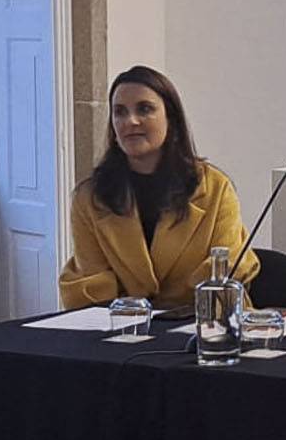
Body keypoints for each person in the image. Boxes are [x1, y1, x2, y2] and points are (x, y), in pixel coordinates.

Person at [58, 65, 257, 309]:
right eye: (120, 112)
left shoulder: (215, 188)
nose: (130, 121)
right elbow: (93, 284)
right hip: (124, 326)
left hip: (202, 322)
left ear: (171, 119)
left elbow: (225, 270)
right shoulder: (89, 198)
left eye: (145, 109)